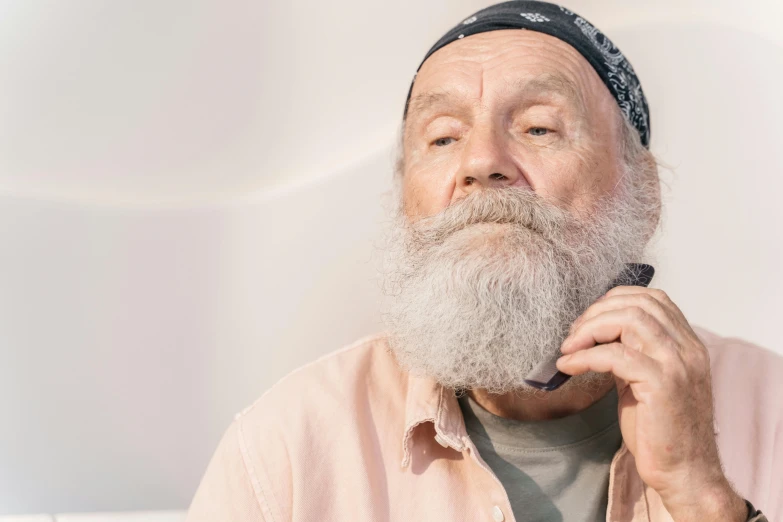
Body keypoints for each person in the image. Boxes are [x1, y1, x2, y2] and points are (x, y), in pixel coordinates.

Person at [185, 2, 781, 520]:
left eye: (539, 128)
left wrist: (704, 497)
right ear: (406, 198)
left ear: (642, 192)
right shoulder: (288, 449)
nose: (483, 161)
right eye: (443, 138)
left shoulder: (771, 409)